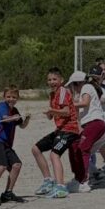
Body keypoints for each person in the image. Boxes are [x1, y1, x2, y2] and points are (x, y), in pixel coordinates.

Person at [31, 69, 81, 199]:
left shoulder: (63, 91)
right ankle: (48, 181)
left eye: (54, 79)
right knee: (36, 149)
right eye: (49, 80)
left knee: (54, 154)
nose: (52, 82)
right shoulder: (52, 95)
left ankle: (60, 187)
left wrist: (52, 110)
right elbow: (52, 115)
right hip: (60, 130)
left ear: (61, 80)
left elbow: (66, 111)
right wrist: (49, 113)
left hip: (69, 130)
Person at [0, 85, 30, 206]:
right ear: (4, 97)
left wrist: (27, 119)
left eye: (14, 97)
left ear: (17, 98)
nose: (11, 99)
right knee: (1, 165)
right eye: (8, 96)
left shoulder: (15, 110)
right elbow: (5, 119)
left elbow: (22, 126)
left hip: (5, 144)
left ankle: (8, 192)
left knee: (16, 165)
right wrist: (13, 117)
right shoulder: (2, 106)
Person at [66, 70, 105, 192]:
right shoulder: (84, 91)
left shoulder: (86, 87)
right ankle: (81, 177)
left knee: (83, 149)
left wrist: (69, 105)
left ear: (77, 83)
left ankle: (83, 181)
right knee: (75, 147)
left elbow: (85, 103)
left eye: (73, 85)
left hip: (95, 123)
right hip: (92, 124)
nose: (72, 89)